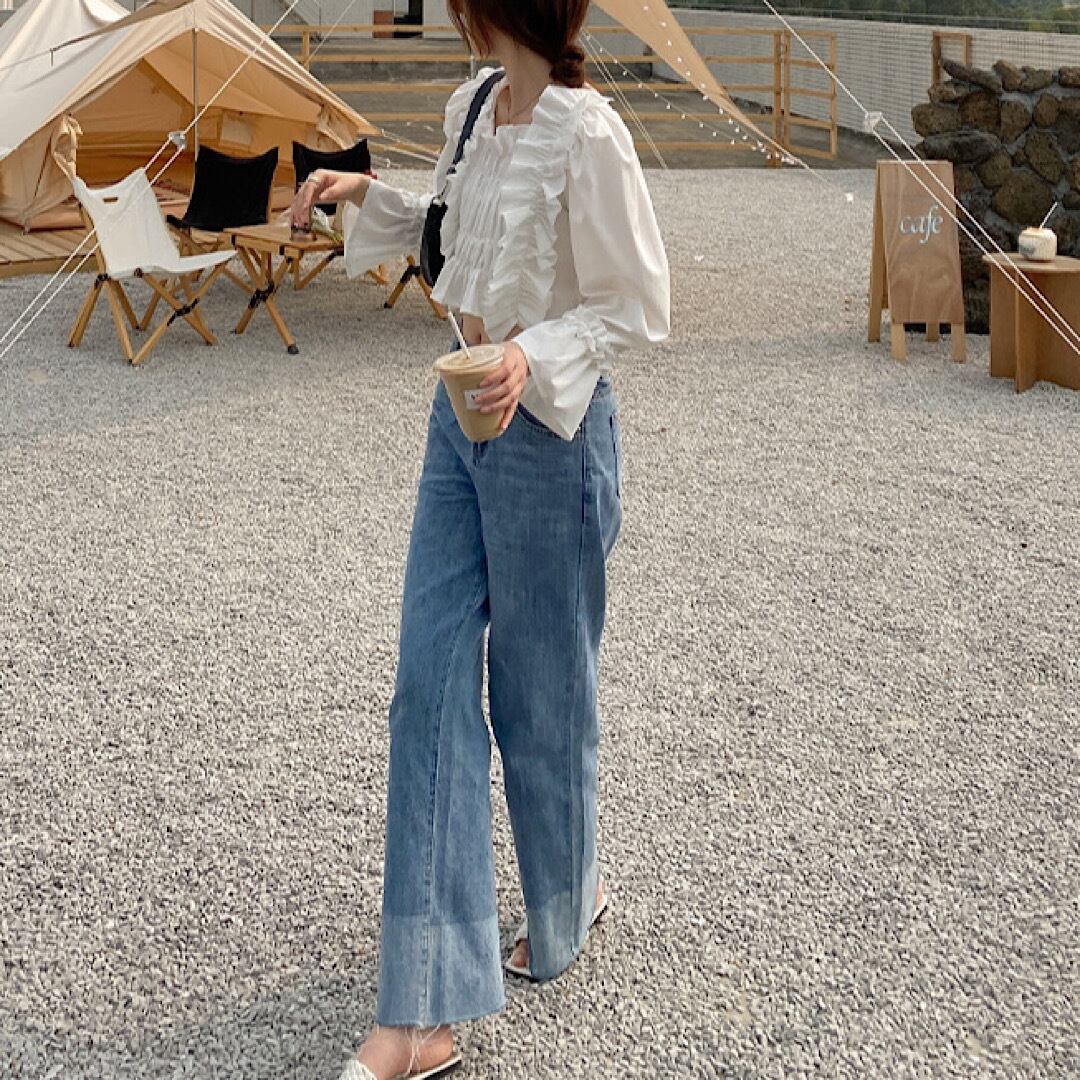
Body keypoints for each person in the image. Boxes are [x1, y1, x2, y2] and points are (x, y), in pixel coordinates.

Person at [291, 1, 669, 1076]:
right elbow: (461, 231)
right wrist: (369, 196)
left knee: (543, 706)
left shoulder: (589, 132)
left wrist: (530, 353)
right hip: (456, 422)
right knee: (430, 684)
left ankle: (568, 900)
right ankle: (423, 1013)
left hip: (551, 436)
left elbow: (637, 302)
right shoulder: (474, 107)